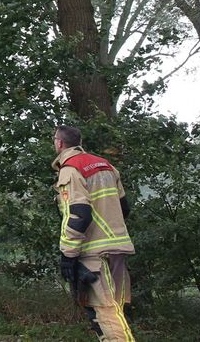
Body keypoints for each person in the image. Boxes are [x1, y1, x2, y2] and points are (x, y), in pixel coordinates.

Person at [53, 125, 135, 341]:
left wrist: (68, 255)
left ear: (59, 143)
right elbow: (124, 208)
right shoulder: (107, 166)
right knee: (113, 311)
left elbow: (79, 213)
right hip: (117, 249)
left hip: (94, 254)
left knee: (106, 312)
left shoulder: (70, 169)